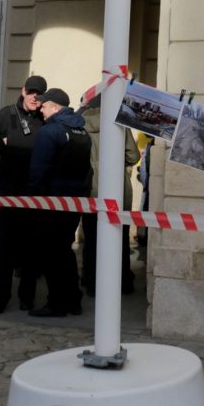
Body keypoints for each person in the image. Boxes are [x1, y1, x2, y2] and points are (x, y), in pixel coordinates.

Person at [0, 75, 47, 315]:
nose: (34, 98)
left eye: (39, 95)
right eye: (31, 93)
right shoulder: (6, 115)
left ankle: (27, 297)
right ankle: (0, 298)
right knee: (5, 248)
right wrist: (4, 142)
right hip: (8, 192)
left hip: (35, 193)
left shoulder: (45, 118)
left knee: (32, 248)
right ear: (23, 91)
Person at [26, 88, 92, 317]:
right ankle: (73, 300)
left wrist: (34, 200)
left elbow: (39, 170)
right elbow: (87, 170)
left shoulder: (49, 132)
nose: (41, 110)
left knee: (51, 253)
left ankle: (56, 303)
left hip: (51, 202)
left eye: (44, 106)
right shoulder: (81, 131)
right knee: (64, 250)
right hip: (74, 202)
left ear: (55, 107)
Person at [78, 95, 140, 296]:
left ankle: (92, 282)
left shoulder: (80, 123)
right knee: (119, 237)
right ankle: (123, 282)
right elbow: (133, 156)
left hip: (90, 188)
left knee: (91, 238)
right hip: (118, 189)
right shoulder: (120, 121)